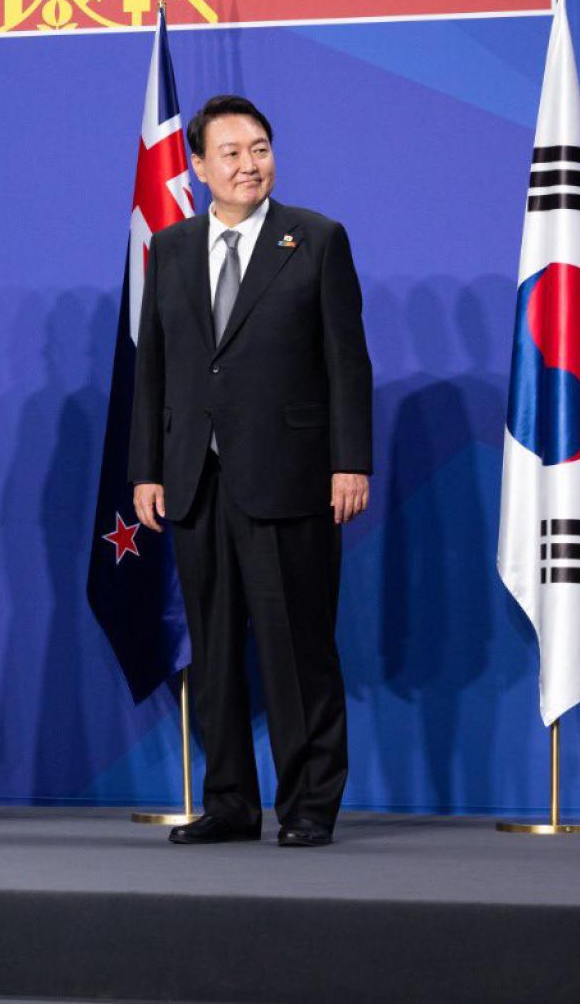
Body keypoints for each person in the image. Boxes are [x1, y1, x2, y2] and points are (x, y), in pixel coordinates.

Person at [130, 94, 371, 848]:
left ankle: (308, 805)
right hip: (196, 484)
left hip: (291, 477)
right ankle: (230, 800)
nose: (248, 164)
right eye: (230, 152)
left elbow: (347, 365)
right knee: (214, 651)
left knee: (298, 649)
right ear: (197, 167)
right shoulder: (169, 249)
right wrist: (147, 468)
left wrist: (349, 462)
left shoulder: (317, 240)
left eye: (260, 148)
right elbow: (155, 371)